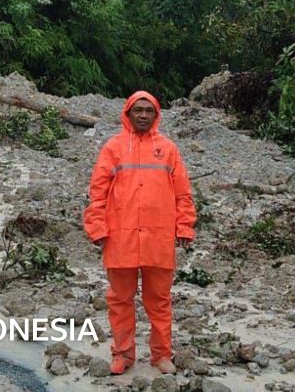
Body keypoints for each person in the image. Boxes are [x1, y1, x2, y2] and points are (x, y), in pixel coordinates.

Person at [84, 91, 196, 375]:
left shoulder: (168, 149)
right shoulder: (113, 147)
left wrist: (184, 226)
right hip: (120, 238)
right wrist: (96, 227)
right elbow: (97, 193)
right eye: (138, 110)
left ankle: (161, 355)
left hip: (158, 239)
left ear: (156, 115)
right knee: (120, 300)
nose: (143, 115)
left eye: (149, 110)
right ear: (128, 114)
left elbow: (183, 193)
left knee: (159, 301)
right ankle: (122, 354)